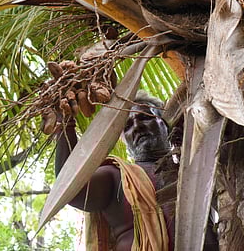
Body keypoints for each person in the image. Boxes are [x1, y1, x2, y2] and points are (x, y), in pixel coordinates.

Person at [54, 90, 174, 250]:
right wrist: (65, 124)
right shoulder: (118, 177)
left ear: (165, 124)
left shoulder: (195, 169)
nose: (137, 127)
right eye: (128, 127)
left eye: (145, 117)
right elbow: (69, 190)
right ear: (124, 140)